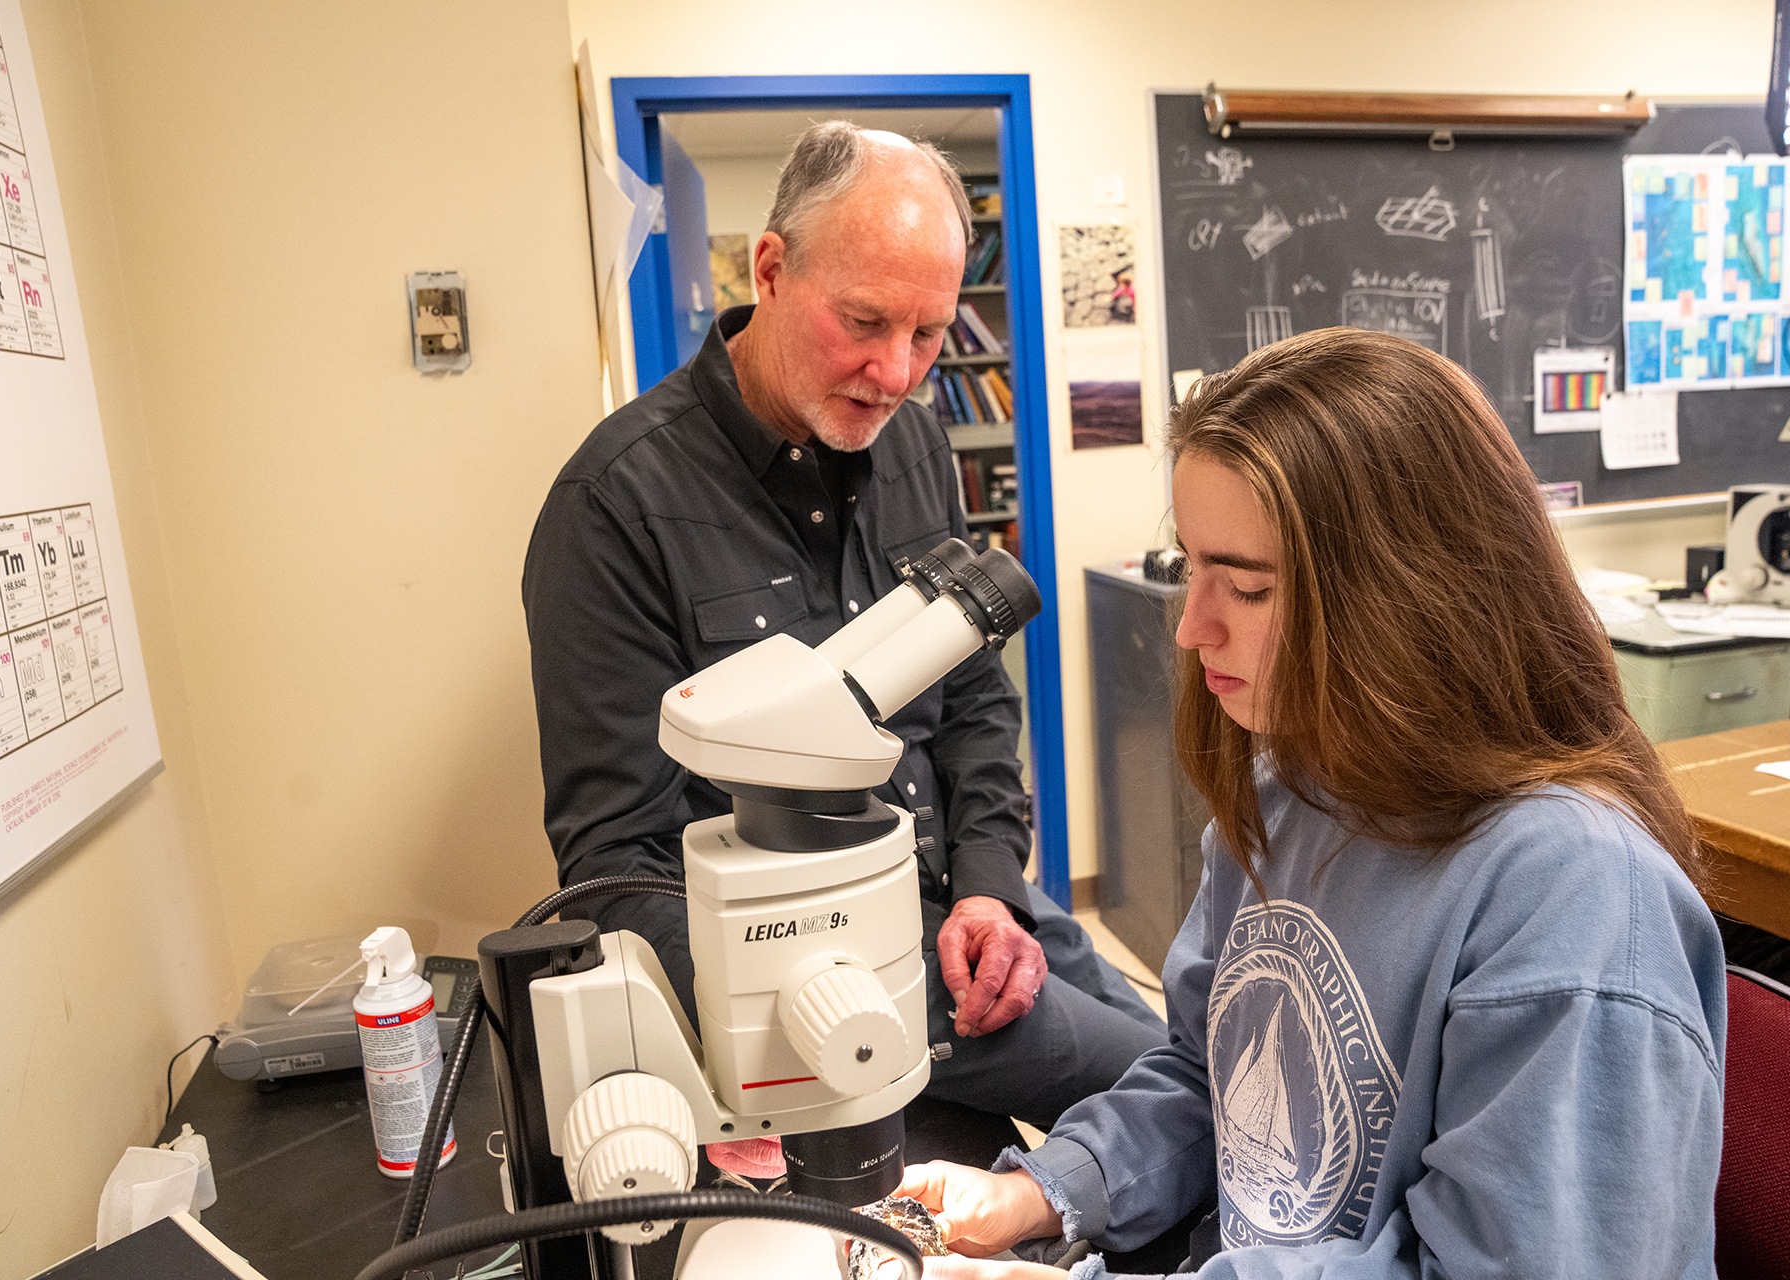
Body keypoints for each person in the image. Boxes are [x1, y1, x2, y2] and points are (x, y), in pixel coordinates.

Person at [895, 327, 1727, 1279]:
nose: (1192, 627)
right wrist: (1041, 1193)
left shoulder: (1571, 905)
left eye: (1245, 587)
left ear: (1406, 597)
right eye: (1190, 568)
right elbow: (1210, 1082)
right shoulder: (1291, 793)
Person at [521, 122, 1165, 1137]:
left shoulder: (913, 440)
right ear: (771, 268)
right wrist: (753, 1048)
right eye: (864, 322)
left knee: (1213, 1065)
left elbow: (977, 704)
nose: (897, 371)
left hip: (970, 906)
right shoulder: (615, 505)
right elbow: (616, 860)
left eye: (928, 333)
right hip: (824, 964)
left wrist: (993, 887)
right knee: (1172, 1097)